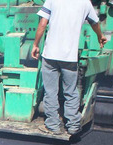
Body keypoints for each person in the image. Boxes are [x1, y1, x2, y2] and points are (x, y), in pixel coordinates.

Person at [32, 0, 107, 135]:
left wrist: (35, 44)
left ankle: (53, 126)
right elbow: (95, 23)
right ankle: (73, 126)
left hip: (50, 55)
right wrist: (100, 36)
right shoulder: (85, 3)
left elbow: (43, 24)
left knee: (50, 92)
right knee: (70, 91)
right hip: (69, 57)